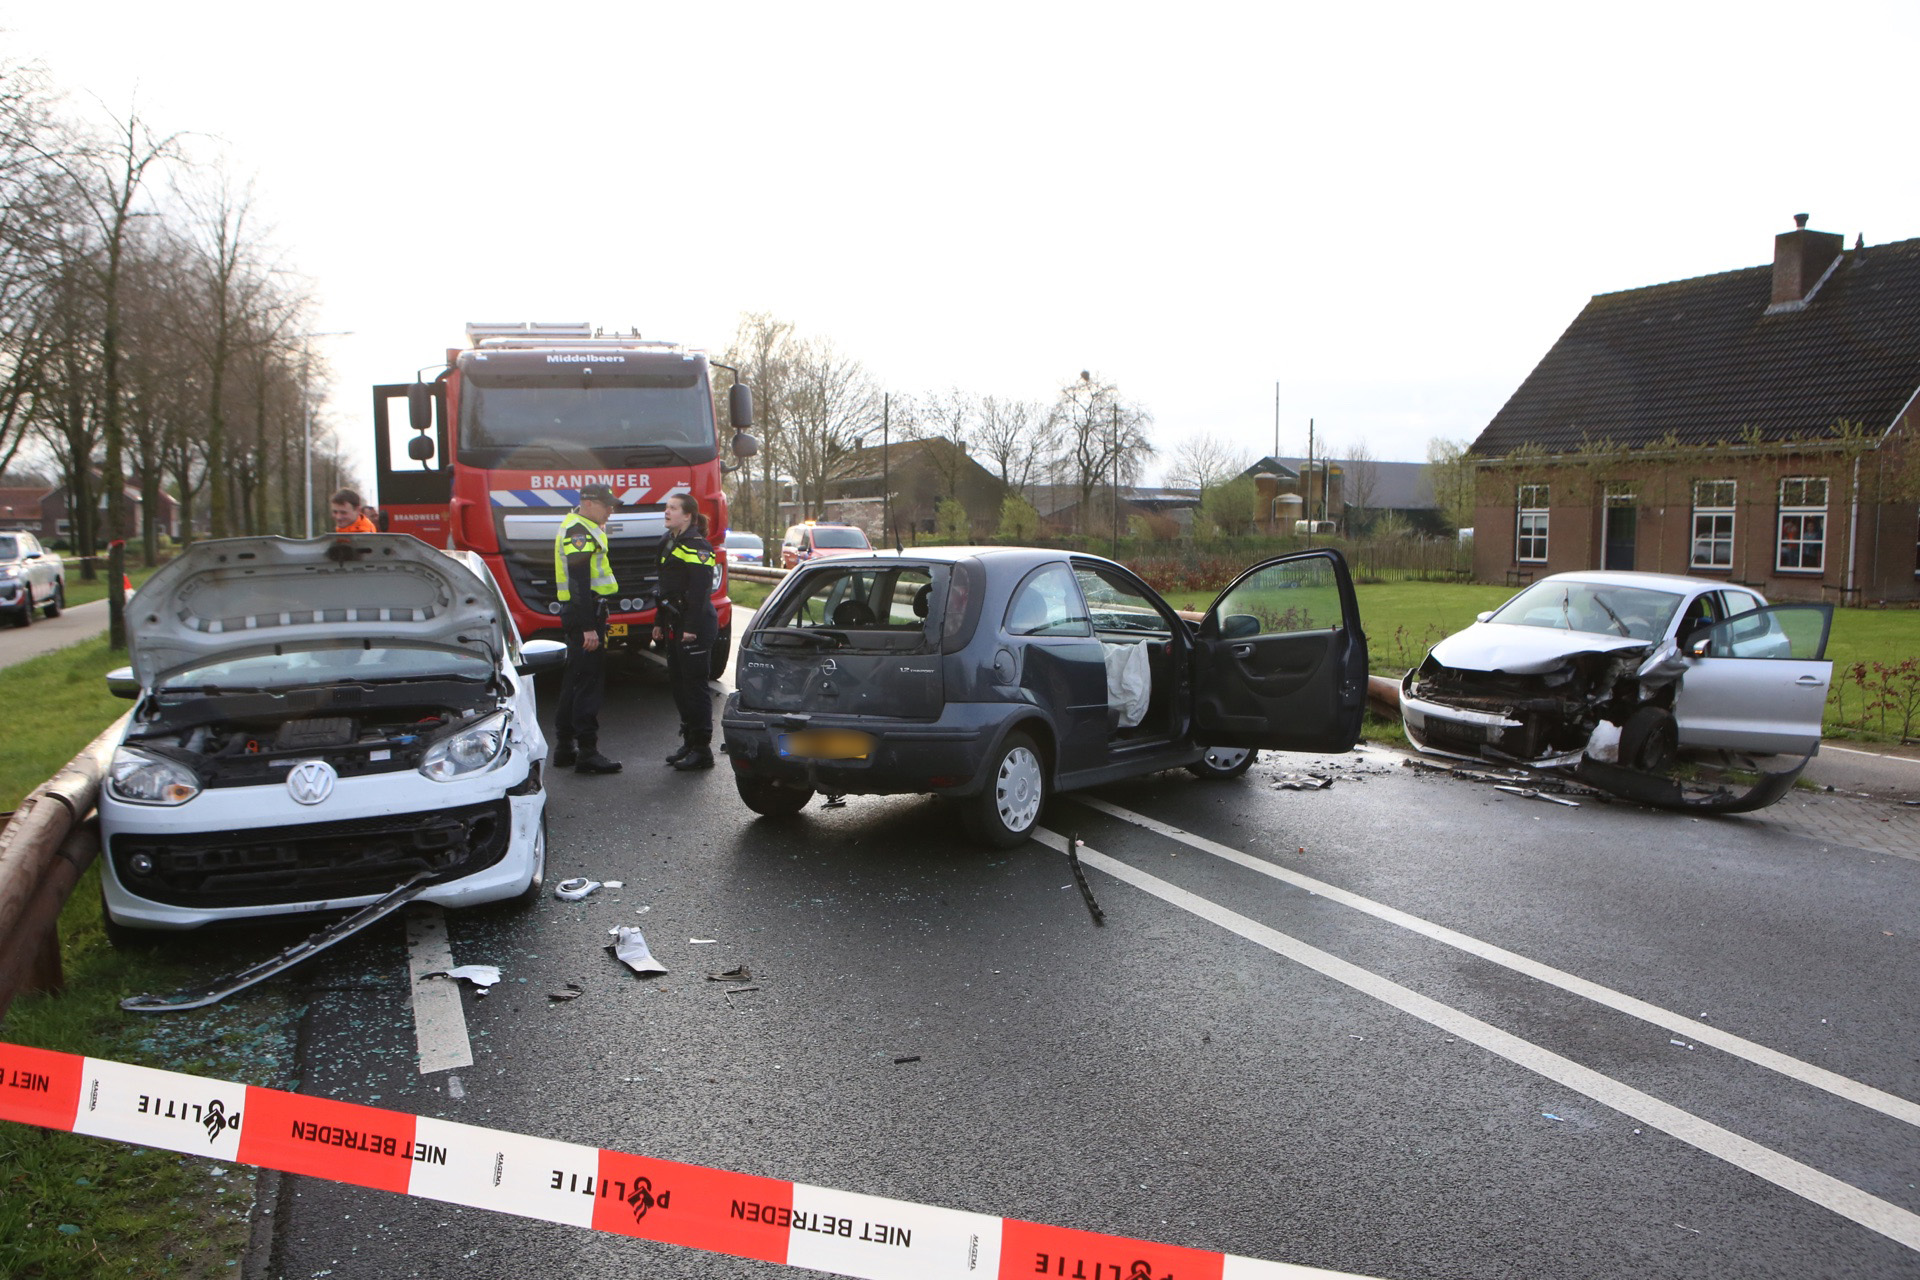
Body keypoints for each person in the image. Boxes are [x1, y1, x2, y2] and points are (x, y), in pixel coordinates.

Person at [551, 483, 622, 775]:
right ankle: (588, 752)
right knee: (588, 684)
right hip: (585, 613)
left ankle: (565, 747)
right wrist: (588, 628)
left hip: (582, 613)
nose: (611, 509)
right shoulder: (579, 530)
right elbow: (579, 583)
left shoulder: (579, 526)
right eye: (607, 504)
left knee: (574, 680)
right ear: (588, 503)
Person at [653, 492, 718, 771]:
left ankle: (703, 750)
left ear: (688, 515)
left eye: (673, 508)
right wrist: (658, 621)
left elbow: (701, 592)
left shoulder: (699, 546)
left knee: (695, 686)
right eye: (666, 507)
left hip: (696, 624)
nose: (667, 512)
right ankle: (689, 742)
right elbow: (664, 589)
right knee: (679, 685)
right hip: (674, 622)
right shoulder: (666, 542)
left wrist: (690, 628)